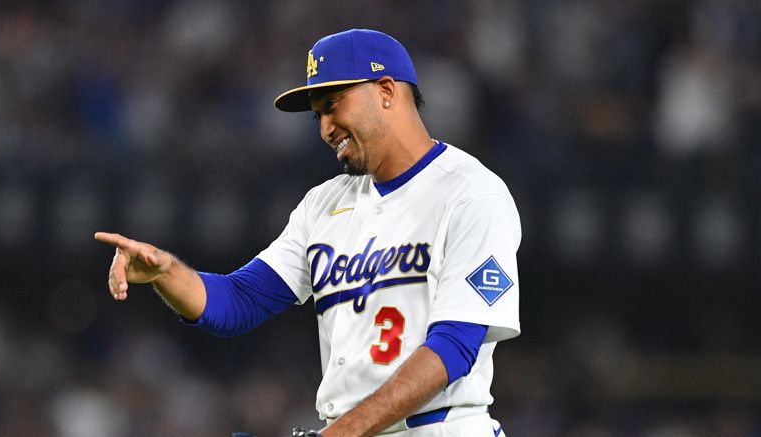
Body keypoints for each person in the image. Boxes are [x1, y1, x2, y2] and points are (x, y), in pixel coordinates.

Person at [95, 29, 520, 437]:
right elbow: (238, 301)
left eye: (333, 104)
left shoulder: (471, 193)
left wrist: (336, 435)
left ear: (387, 90)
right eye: (319, 114)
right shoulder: (324, 204)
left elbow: (454, 348)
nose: (325, 128)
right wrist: (166, 272)